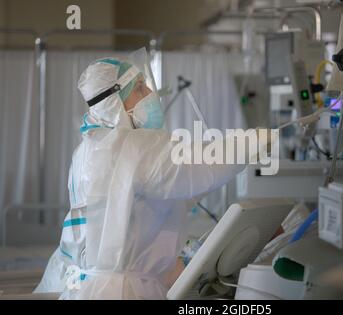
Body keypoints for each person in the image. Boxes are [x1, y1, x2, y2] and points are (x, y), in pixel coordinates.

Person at [34, 54, 270, 299]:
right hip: (125, 291)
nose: (150, 93)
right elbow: (199, 165)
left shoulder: (87, 149)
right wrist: (255, 141)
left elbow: (170, 185)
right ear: (115, 102)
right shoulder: (131, 147)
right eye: (139, 88)